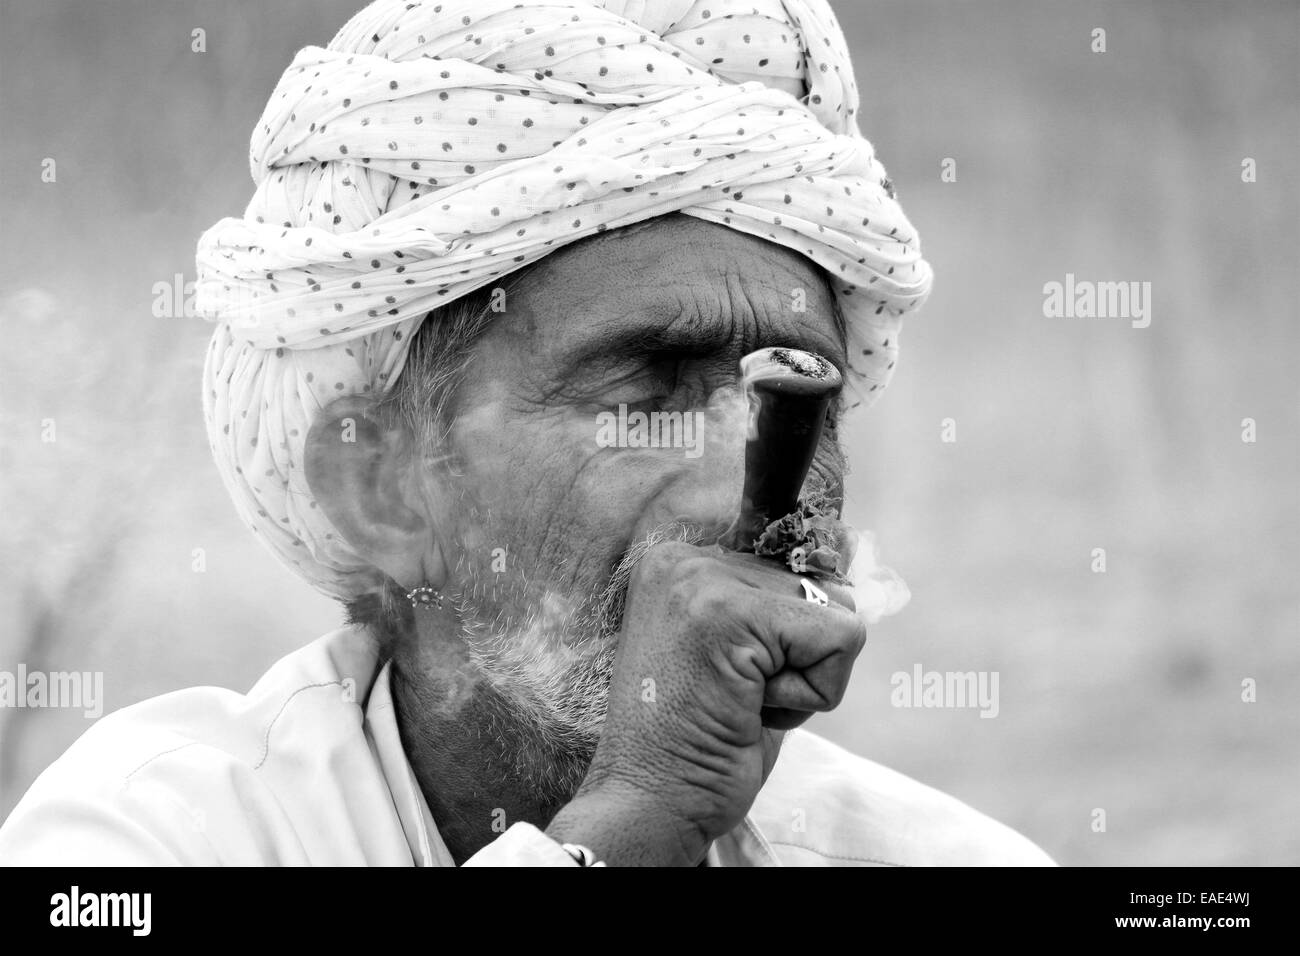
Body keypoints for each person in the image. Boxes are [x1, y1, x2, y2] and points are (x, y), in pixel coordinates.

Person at [0, 0, 1051, 866]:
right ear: (383, 488)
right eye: (646, 389)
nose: (748, 483)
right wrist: (636, 817)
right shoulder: (153, 835)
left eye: (796, 399)